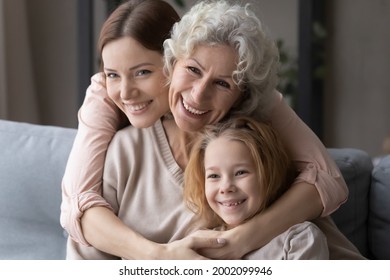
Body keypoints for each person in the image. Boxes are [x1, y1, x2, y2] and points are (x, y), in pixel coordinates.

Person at [65, 0, 365, 259]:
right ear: (174, 61)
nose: (197, 95)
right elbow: (77, 211)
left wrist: (241, 239)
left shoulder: (258, 140)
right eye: (193, 70)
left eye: (223, 83)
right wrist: (159, 257)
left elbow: (325, 184)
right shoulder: (113, 126)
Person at [60, 0, 180, 245]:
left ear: (177, 63)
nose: (125, 93)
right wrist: (157, 256)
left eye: (142, 72)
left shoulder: (226, 96)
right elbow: (75, 207)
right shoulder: (102, 96)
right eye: (113, 74)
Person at [183, 116, 329, 259]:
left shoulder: (298, 240)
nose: (226, 187)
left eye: (240, 172)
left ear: (269, 175)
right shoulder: (200, 242)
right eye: (214, 176)